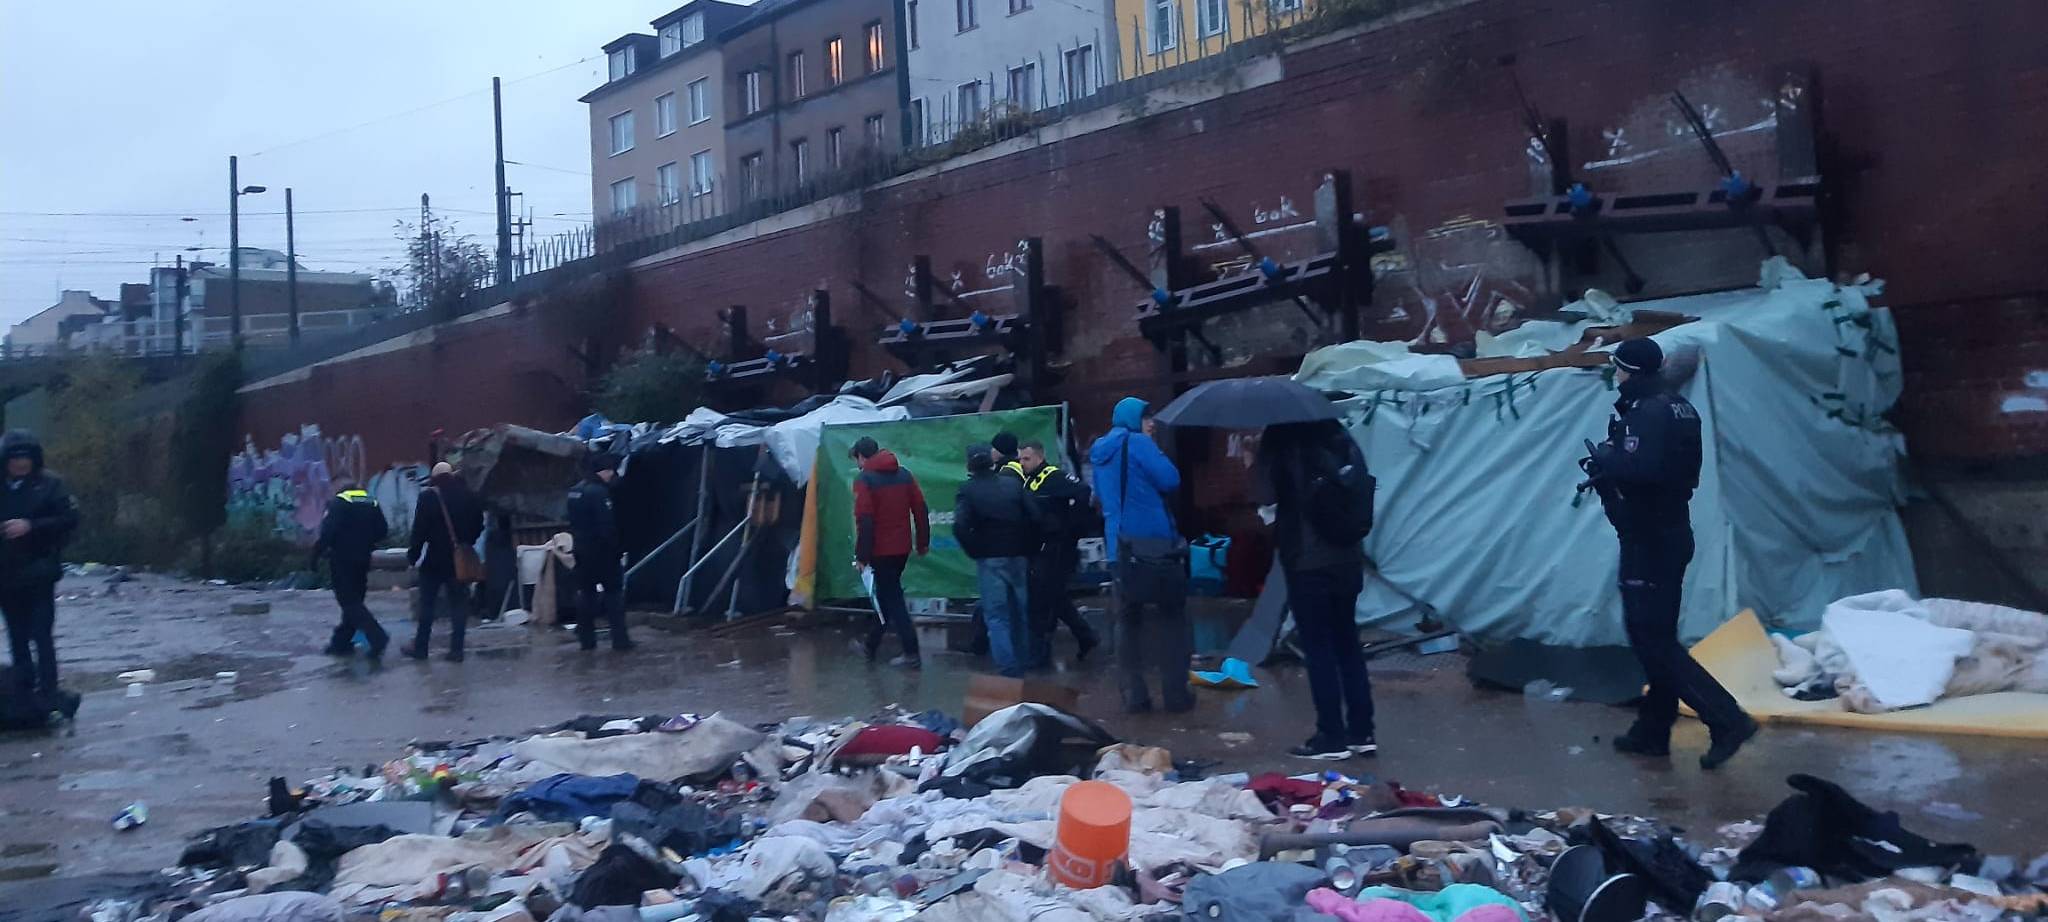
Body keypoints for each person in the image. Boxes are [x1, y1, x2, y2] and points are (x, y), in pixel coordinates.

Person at [1587, 338, 1757, 770]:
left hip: (1650, 538)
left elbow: (1642, 469)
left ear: (1630, 370)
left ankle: (1727, 719)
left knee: (1652, 641)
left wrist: (1607, 460)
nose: (1616, 375)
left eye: (1618, 368)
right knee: (1656, 637)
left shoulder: (1649, 412)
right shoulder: (1677, 406)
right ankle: (1653, 729)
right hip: (1667, 532)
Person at [1254, 422, 1377, 760]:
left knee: (1319, 649)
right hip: (1347, 560)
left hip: (1307, 562)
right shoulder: (1342, 438)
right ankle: (1362, 732)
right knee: (1348, 644)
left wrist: (1257, 461)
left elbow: (1266, 497)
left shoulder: (1281, 438)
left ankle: (1331, 736)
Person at [1088, 397, 1193, 713]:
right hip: (1154, 545)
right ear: (1133, 420)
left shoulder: (1099, 451)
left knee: (1127, 620)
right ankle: (1176, 694)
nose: (1152, 424)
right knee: (1172, 619)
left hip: (1119, 546)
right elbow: (1171, 479)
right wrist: (1154, 450)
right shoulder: (1138, 443)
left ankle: (1134, 695)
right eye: (1147, 418)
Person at [0, 431, 76, 709]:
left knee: (41, 634)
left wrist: (31, 526)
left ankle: (49, 691)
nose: (21, 463)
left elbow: (69, 519)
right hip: (6, 575)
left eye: (26, 457)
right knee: (17, 635)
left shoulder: (51, 485)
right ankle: (23, 691)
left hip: (40, 572)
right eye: (15, 458)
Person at [953, 444, 1042, 677]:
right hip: (1018, 556)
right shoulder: (1013, 484)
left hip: (990, 558)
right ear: (992, 462)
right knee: (1019, 612)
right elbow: (1035, 517)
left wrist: (975, 550)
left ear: (969, 465)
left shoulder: (968, 490)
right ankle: (1022, 662)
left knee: (997, 615)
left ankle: (1009, 669)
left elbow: (960, 526)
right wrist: (1029, 548)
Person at [1015, 439, 1100, 666]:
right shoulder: (1030, 479)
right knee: (1054, 596)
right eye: (1020, 459)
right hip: (1041, 546)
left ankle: (1043, 650)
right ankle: (1085, 636)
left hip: (1056, 548)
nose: (1022, 463)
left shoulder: (1053, 476)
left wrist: (1070, 526)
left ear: (1039, 457)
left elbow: (1083, 491)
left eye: (1026, 458)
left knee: (1045, 597)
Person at [851, 436, 931, 667]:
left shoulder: (865, 479)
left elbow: (865, 520)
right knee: (887, 597)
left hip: (879, 550)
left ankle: (911, 652)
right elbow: (920, 508)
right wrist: (922, 542)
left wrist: (862, 556)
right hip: (901, 548)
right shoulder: (904, 475)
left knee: (893, 599)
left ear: (861, 457)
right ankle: (870, 646)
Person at [406, 461, 484, 661]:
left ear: (434, 478)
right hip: (460, 560)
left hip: (434, 560)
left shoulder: (428, 497)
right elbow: (478, 525)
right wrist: (466, 542)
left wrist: (413, 555)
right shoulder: (470, 496)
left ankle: (421, 647)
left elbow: (419, 531)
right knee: (458, 605)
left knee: (427, 604)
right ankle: (457, 650)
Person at [310, 479, 390, 658]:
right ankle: (341, 642)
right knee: (355, 601)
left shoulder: (340, 502)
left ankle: (377, 637)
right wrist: (367, 541)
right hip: (363, 559)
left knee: (349, 602)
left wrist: (316, 555)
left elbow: (327, 532)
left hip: (342, 559)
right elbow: (383, 530)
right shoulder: (371, 502)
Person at [568, 453, 636, 652]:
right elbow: (606, 526)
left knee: (586, 594)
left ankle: (586, 640)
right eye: (610, 471)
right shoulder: (599, 493)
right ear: (603, 471)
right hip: (602, 552)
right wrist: (617, 549)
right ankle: (620, 640)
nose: (612, 475)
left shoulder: (574, 491)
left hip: (581, 550)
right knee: (614, 595)